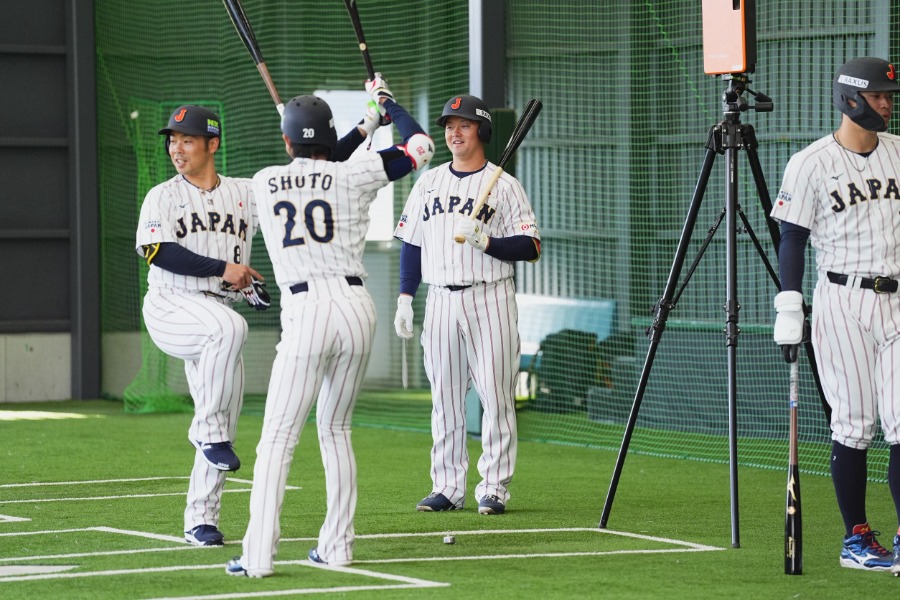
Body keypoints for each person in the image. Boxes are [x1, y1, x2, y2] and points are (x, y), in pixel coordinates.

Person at [225, 75, 434, 578]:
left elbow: (319, 164)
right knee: (336, 429)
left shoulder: (264, 180)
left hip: (307, 309)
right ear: (330, 136)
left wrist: (364, 124)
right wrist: (385, 108)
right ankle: (337, 546)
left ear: (287, 142)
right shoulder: (353, 173)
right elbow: (421, 147)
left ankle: (258, 557)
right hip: (357, 308)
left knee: (278, 437)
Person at [771, 56, 900, 575]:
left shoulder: (899, 153)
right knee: (854, 423)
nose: (886, 104)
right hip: (841, 302)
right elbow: (792, 238)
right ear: (849, 98)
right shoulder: (810, 163)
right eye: (877, 96)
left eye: (888, 96)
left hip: (897, 298)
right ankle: (856, 538)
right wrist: (789, 304)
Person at [392, 95, 542, 516]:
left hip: (489, 297)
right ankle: (447, 487)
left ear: (482, 131)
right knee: (445, 398)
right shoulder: (429, 183)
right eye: (449, 125)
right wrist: (405, 297)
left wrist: (487, 241)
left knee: (495, 396)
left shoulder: (505, 185)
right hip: (440, 299)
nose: (454, 133)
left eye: (464, 125)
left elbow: (531, 246)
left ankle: (493, 487)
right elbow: (411, 243)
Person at [136, 105, 268, 546]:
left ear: (213, 144)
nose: (176, 147)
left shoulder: (245, 193)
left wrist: (366, 127)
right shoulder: (162, 196)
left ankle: (200, 520)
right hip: (171, 305)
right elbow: (158, 251)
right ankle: (205, 431)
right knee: (230, 330)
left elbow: (303, 183)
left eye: (186, 139)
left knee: (226, 418)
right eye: (172, 140)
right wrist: (224, 268)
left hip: (216, 312)